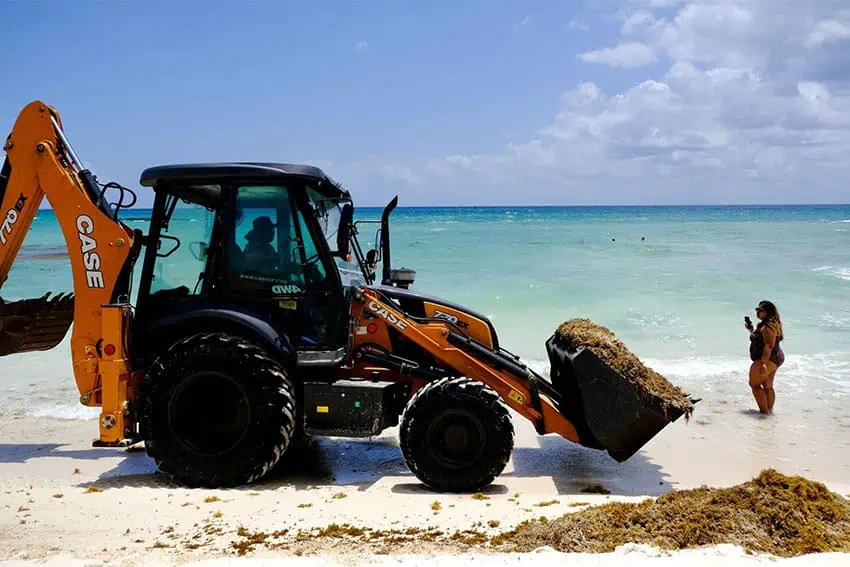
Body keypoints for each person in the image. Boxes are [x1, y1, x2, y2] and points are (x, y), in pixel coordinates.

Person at [745, 300, 785, 415]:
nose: (758, 312)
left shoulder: (767, 327)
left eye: (760, 310)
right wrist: (751, 330)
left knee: (754, 384)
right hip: (776, 358)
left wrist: (763, 363)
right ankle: (769, 413)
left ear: (768, 312)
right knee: (767, 386)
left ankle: (764, 414)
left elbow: (769, 345)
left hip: (768, 359)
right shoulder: (771, 324)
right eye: (757, 310)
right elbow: (762, 340)